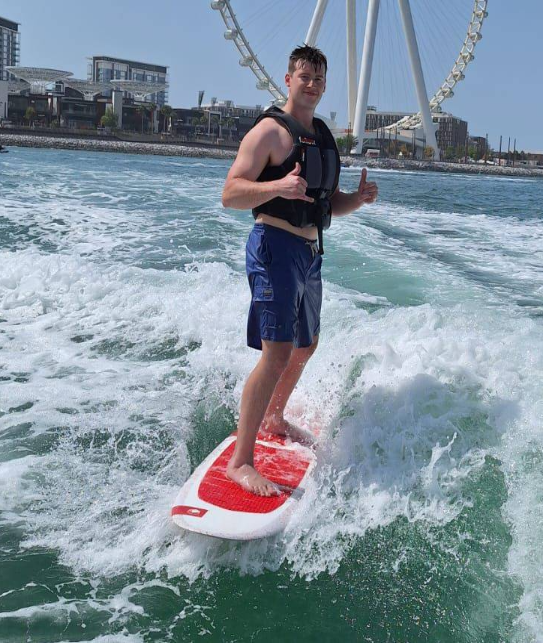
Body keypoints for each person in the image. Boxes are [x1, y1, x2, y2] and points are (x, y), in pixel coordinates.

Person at [221, 45, 378, 496]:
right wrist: (278, 185)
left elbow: (328, 205)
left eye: (319, 78)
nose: (312, 84)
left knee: (305, 346)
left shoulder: (323, 136)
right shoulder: (269, 133)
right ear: (287, 80)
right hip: (274, 247)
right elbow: (230, 193)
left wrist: (358, 200)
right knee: (276, 352)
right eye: (303, 76)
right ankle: (241, 462)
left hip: (309, 254)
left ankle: (275, 415)